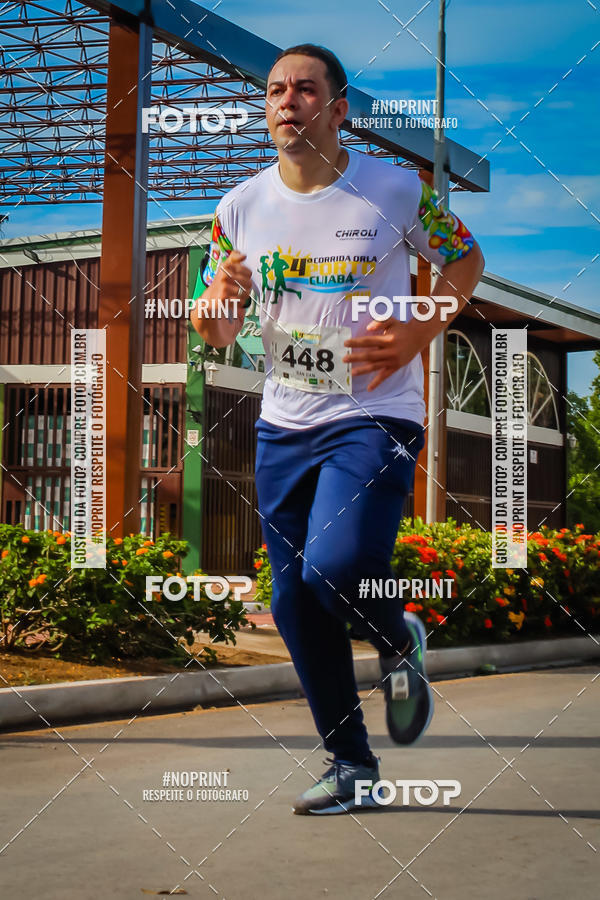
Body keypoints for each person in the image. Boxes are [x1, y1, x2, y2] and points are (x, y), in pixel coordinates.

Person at [191, 44, 484, 815]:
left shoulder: (392, 188)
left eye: (305, 88)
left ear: (338, 106)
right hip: (284, 422)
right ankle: (352, 767)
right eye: (276, 90)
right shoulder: (238, 207)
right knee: (291, 603)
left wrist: (421, 330)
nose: (287, 100)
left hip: (375, 415)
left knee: (335, 568)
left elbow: (463, 259)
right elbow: (216, 332)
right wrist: (216, 298)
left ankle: (397, 642)